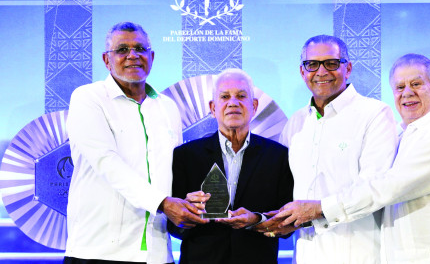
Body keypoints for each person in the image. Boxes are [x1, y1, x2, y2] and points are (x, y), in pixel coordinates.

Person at [272, 53, 430, 263]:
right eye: (400, 87)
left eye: (416, 84)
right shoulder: (403, 135)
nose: (407, 93)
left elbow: (387, 187)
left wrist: (319, 208)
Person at [64, 22, 207, 264]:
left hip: (158, 253)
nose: (133, 55)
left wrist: (189, 202)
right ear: (106, 60)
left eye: (140, 48)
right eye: (122, 50)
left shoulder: (167, 107)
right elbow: (106, 162)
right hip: (98, 252)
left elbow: (173, 172)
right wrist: (163, 203)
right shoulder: (88, 98)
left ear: (151, 57)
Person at [259, 35, 399, 263]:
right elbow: (283, 189)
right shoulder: (296, 123)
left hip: (358, 253)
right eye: (312, 64)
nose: (321, 72)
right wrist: (269, 219)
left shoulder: (374, 114)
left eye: (331, 63)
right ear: (302, 72)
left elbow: (376, 187)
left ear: (348, 68)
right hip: (306, 254)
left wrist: (318, 209)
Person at [169, 68, 294, 264]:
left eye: (241, 96)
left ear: (253, 106)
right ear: (212, 108)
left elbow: (288, 223)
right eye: (225, 96)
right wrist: (187, 213)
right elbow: (172, 225)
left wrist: (256, 219)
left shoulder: (278, 156)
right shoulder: (185, 156)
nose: (233, 102)